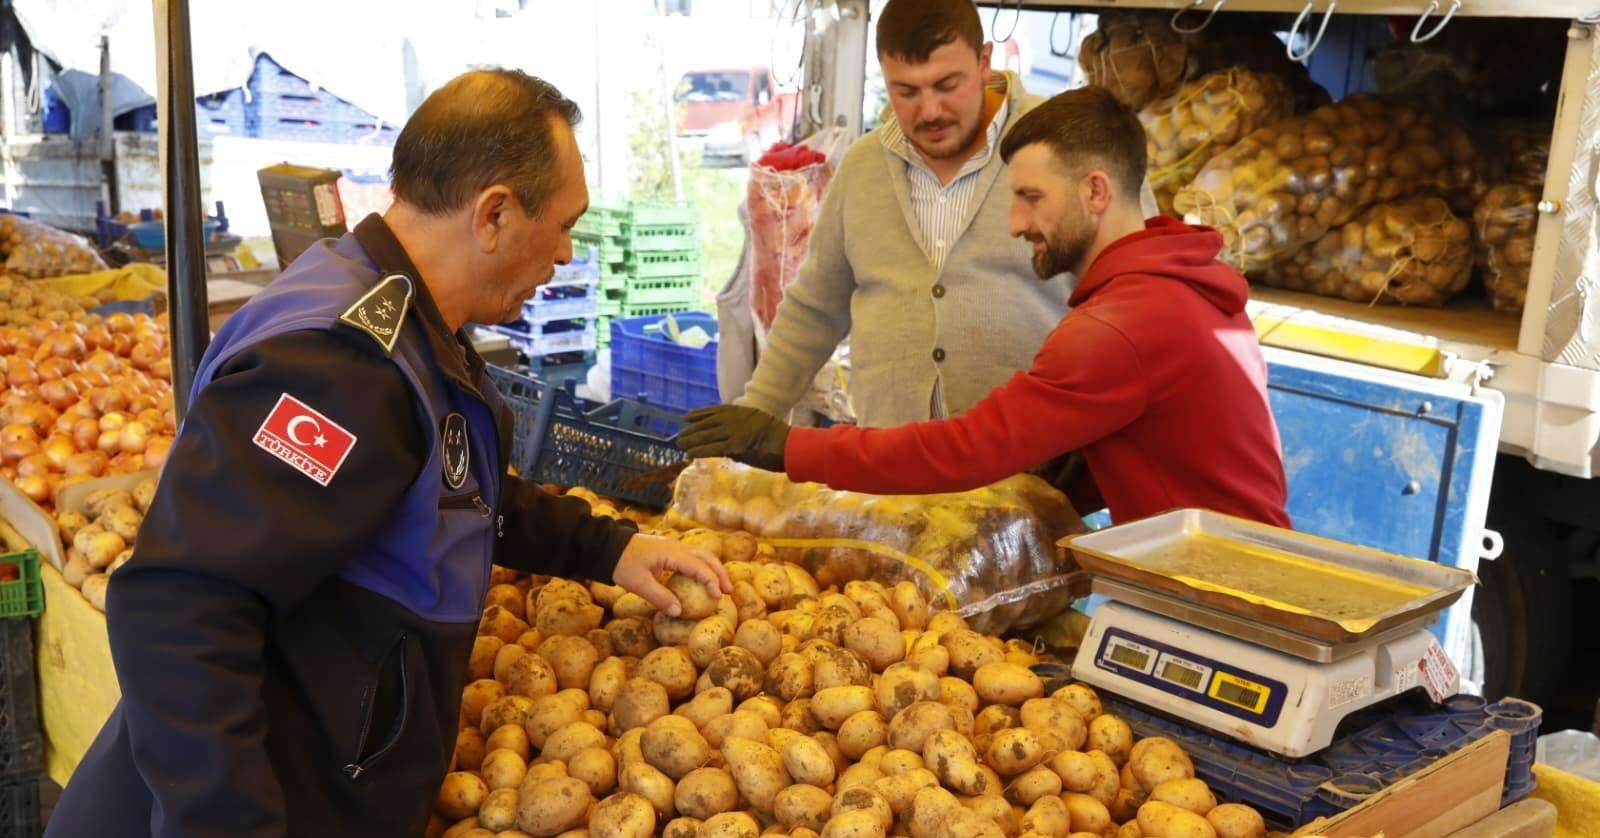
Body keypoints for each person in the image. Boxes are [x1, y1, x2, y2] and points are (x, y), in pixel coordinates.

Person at [46, 70, 729, 838]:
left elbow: (449, 488)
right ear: (494, 213)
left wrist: (610, 547)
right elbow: (178, 604)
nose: (567, 252)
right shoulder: (338, 369)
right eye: (565, 224)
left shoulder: (394, 311)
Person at [680, 86, 1291, 529]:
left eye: (1030, 197)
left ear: (1096, 191)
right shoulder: (1182, 281)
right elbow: (1154, 446)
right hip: (1238, 559)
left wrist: (785, 447)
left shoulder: (1119, 326)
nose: (1016, 222)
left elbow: (965, 448)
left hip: (1217, 593)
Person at [735, 0, 1157, 428]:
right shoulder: (862, 167)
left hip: (1039, 464)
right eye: (907, 92)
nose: (930, 111)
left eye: (947, 84)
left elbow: (1138, 298)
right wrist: (754, 414)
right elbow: (815, 309)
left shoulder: (1070, 147)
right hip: (890, 468)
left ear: (984, 62)